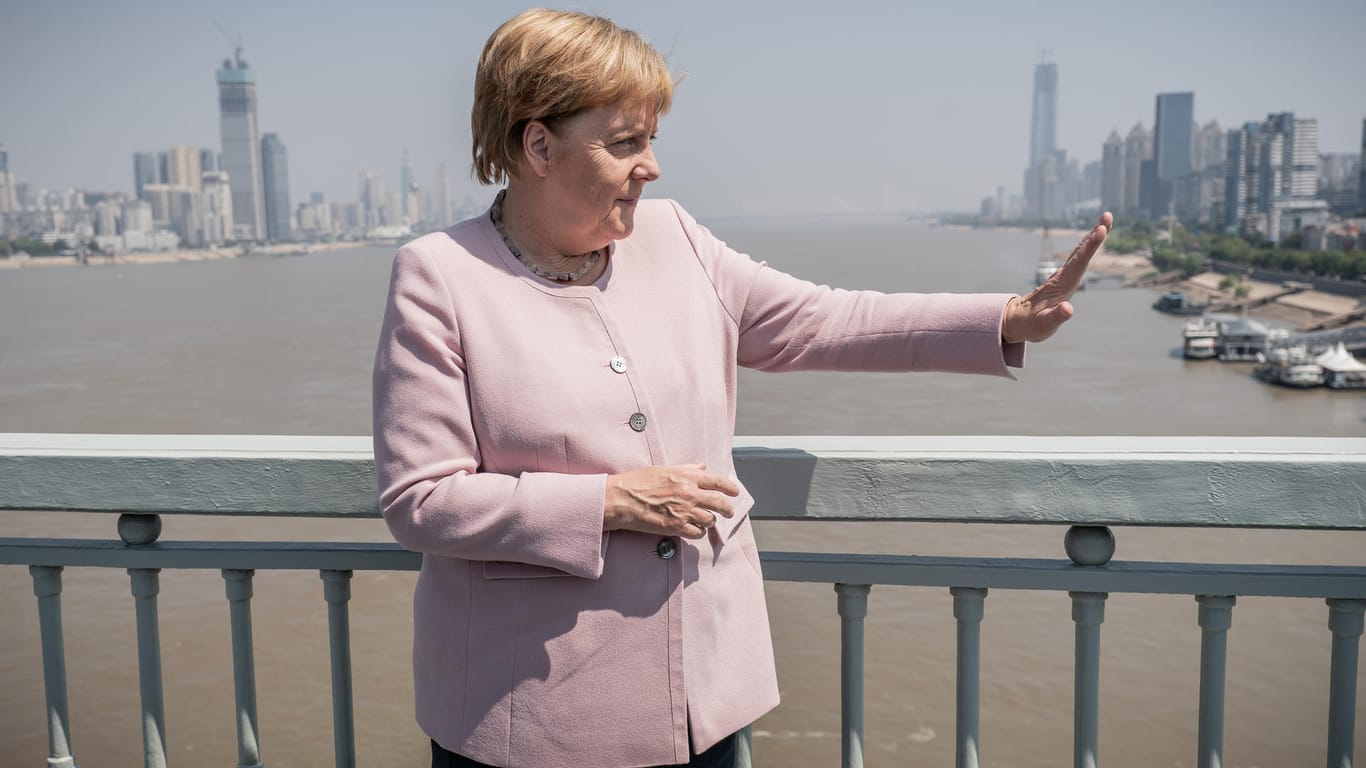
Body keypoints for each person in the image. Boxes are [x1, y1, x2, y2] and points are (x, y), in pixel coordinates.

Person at [372, 8, 1111, 768]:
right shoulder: (440, 277)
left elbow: (825, 322)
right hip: (528, 720)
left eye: (652, 139)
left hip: (703, 703)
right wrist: (611, 503)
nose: (652, 166)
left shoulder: (678, 239)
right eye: (626, 142)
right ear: (538, 145)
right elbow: (421, 499)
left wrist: (1009, 319)